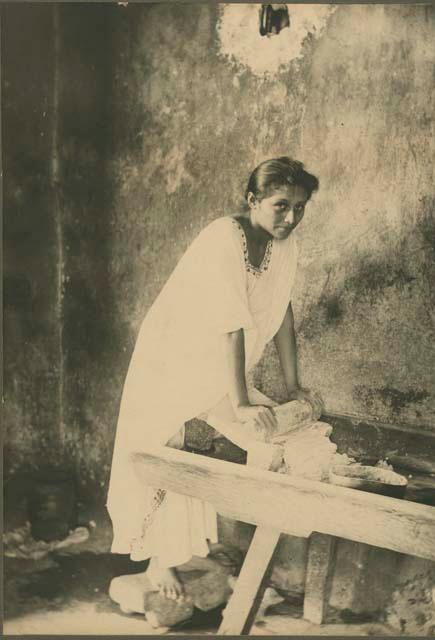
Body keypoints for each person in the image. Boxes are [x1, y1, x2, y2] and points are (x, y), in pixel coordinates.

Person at [107, 156, 322, 602]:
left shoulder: (286, 245)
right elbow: (229, 325)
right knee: (164, 446)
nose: (291, 218)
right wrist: (241, 403)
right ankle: (157, 559)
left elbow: (282, 312)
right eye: (281, 206)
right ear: (252, 200)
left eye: (300, 208)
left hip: (217, 362)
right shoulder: (223, 237)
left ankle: (219, 556)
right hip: (172, 356)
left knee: (275, 440)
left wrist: (293, 387)